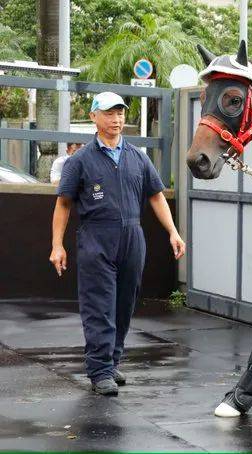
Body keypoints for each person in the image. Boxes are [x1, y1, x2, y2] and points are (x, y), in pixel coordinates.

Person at [49, 92, 186, 396]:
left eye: (121, 113)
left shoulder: (137, 157)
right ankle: (99, 371)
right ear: (93, 117)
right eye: (110, 114)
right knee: (99, 305)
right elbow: (63, 204)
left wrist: (173, 232)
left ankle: (110, 362)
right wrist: (57, 245)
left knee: (124, 304)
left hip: (132, 237)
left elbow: (156, 196)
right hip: (96, 237)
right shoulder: (80, 160)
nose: (117, 119)